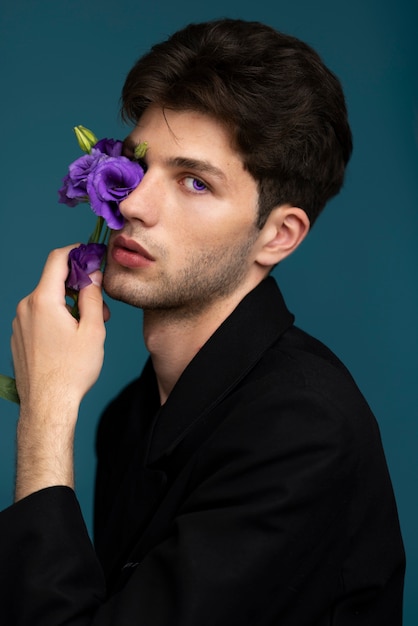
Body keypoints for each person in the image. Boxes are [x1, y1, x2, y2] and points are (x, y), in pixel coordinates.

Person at [0, 17, 405, 625]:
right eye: (139, 164)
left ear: (278, 235)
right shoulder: (132, 418)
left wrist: (46, 415)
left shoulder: (303, 430)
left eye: (194, 182)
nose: (130, 203)